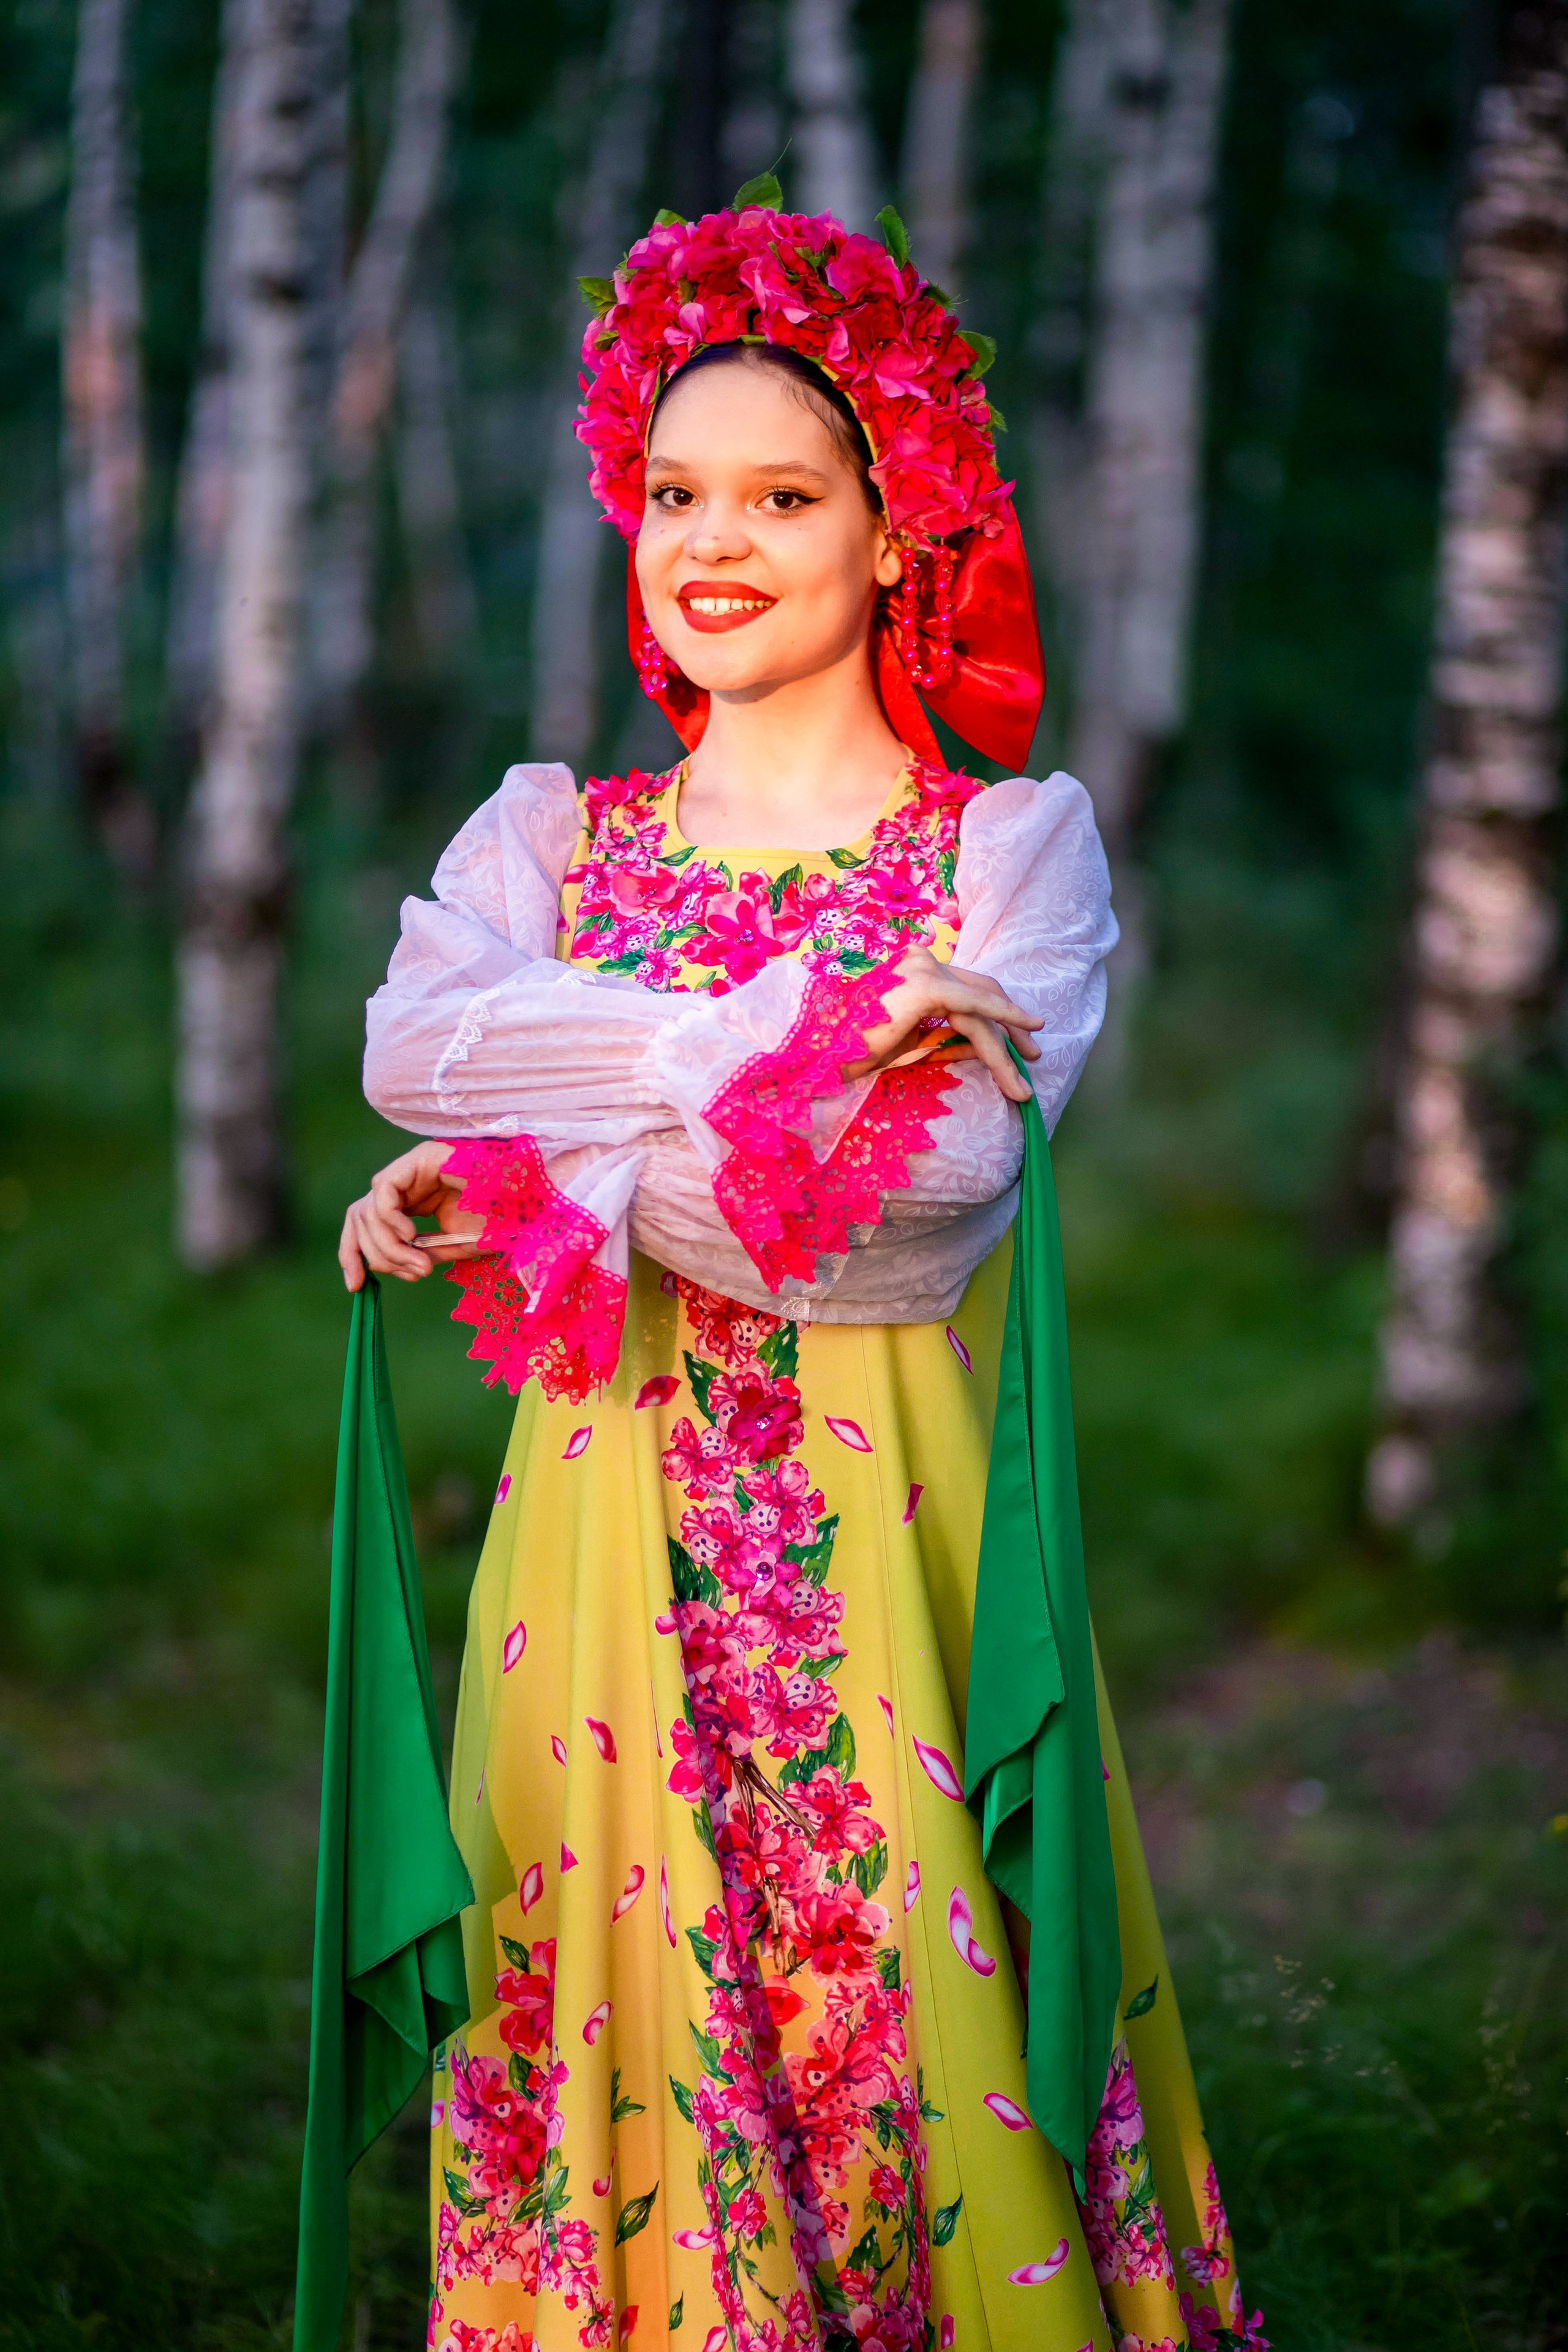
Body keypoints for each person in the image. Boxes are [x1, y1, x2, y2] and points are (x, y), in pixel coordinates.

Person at [338, 195, 1263, 2352]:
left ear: (893, 526)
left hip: (892, 1586)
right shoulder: (553, 841)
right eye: (673, 492)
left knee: (919, 2064)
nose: (711, 539)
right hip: (589, 1588)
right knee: (614, 2042)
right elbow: (409, 1047)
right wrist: (766, 1045)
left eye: (781, 491)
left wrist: (557, 1126)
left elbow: (879, 1220)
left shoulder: (1007, 855)